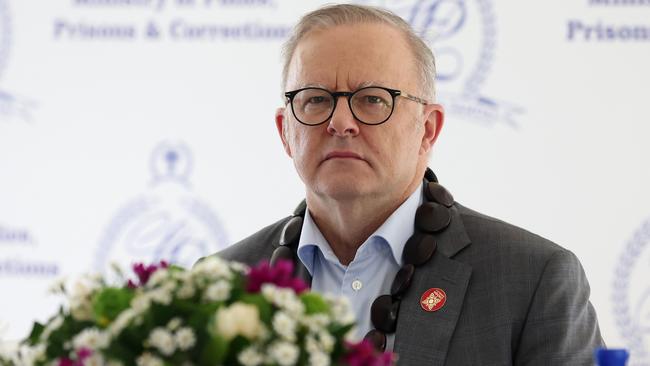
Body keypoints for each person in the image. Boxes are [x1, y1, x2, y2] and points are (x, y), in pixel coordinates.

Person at [215, 4, 603, 365]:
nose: (341, 122)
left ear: (428, 130)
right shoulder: (219, 285)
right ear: (285, 131)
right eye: (316, 100)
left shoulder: (533, 280)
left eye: (372, 100)